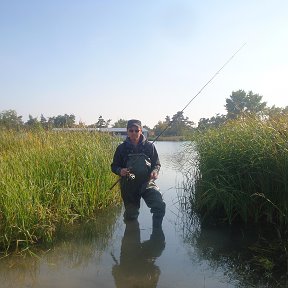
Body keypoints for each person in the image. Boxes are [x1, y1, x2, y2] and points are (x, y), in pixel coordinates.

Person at [111, 119, 166, 228]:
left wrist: (155, 171)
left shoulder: (149, 146)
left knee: (159, 206)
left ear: (141, 131)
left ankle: (157, 234)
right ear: (127, 131)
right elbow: (114, 166)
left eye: (137, 130)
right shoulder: (121, 148)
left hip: (147, 182)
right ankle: (131, 238)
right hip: (128, 185)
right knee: (131, 215)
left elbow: (157, 164)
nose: (134, 133)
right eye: (131, 130)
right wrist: (120, 171)